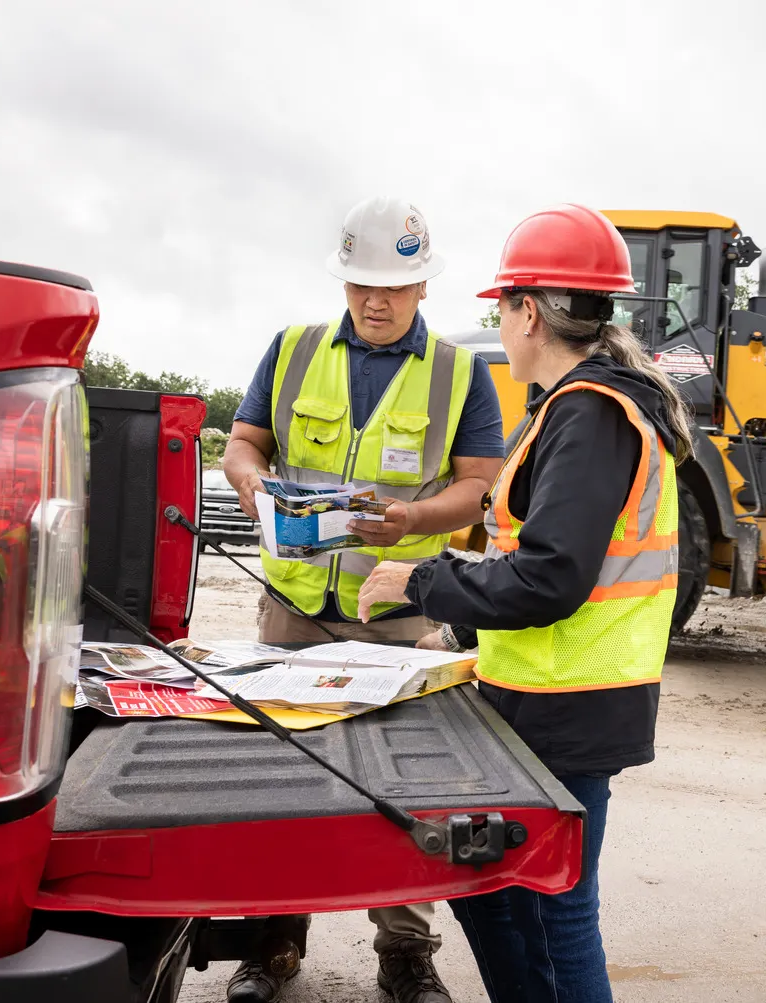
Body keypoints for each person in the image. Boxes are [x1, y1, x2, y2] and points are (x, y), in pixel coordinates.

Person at [357, 204, 694, 1003]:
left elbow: (551, 577)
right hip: (536, 699)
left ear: (529, 312)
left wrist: (421, 579)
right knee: (493, 888)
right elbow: (531, 555)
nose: (499, 324)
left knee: (557, 909)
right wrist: (458, 625)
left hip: (568, 711)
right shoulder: (573, 408)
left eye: (501, 307)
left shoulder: (590, 414)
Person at [220, 195, 505, 1003]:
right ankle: (274, 938)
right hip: (293, 608)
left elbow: (477, 488)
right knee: (284, 778)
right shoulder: (293, 349)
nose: (374, 301)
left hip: (400, 614)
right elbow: (247, 443)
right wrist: (251, 484)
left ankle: (405, 953)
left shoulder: (459, 373)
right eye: (359, 284)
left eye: (392, 285)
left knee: (402, 786)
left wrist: (414, 518)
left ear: (422, 285)